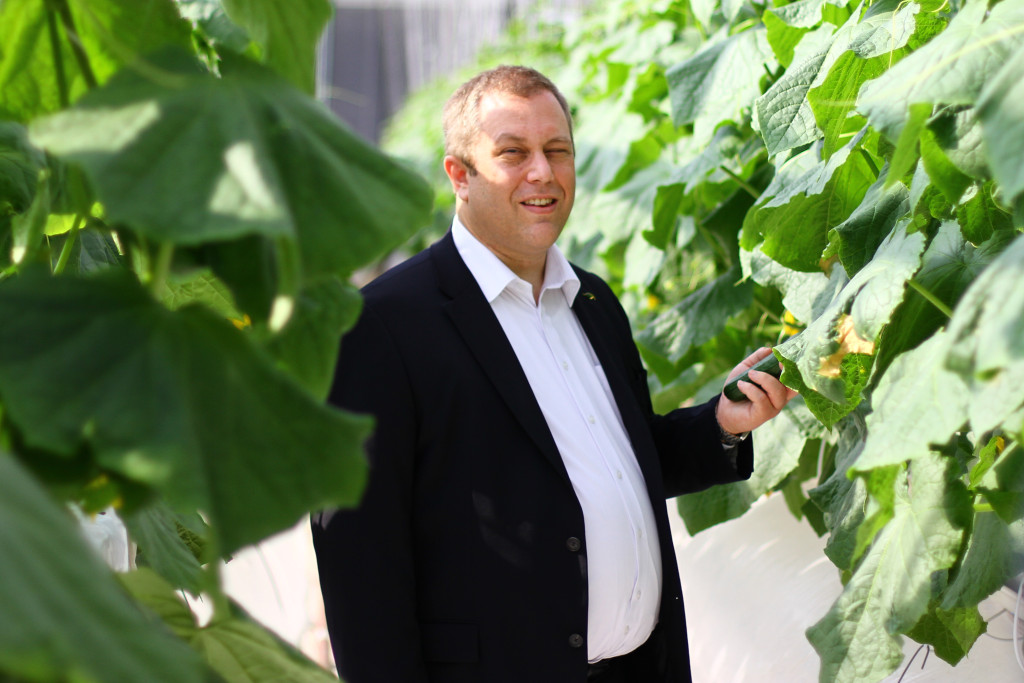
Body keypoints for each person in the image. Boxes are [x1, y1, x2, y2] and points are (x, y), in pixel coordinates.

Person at [311, 65, 797, 683]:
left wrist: (722, 425)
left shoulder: (591, 301)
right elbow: (362, 564)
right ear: (459, 174)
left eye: (556, 150)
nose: (541, 172)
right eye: (512, 153)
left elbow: (625, 459)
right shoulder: (383, 326)